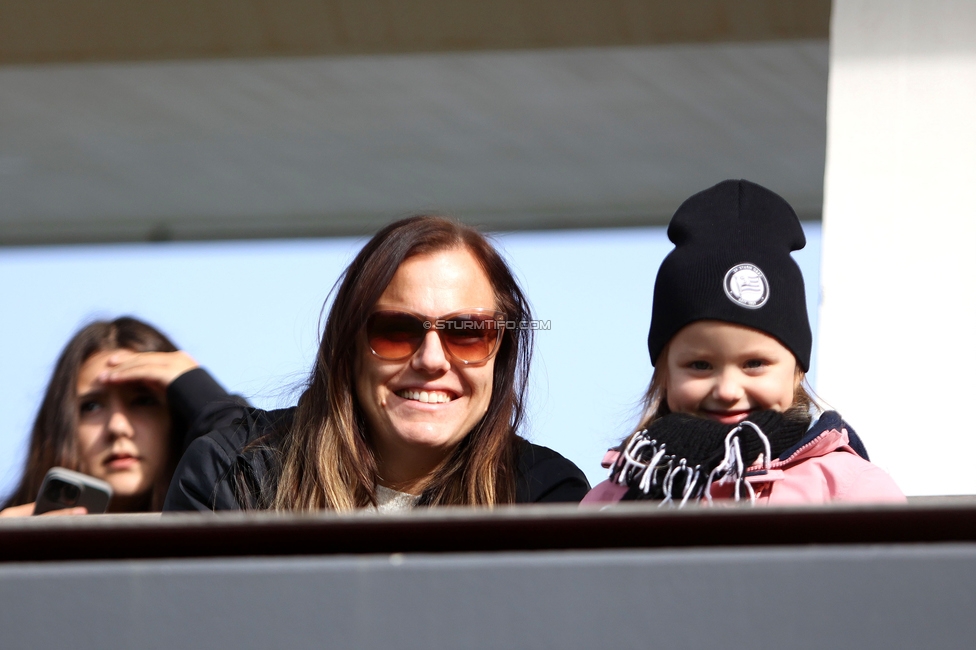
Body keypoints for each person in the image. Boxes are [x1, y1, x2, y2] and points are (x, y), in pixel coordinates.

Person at [165, 215, 589, 512]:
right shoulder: (231, 477)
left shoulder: (547, 495)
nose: (431, 359)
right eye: (396, 330)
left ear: (501, 351)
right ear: (347, 347)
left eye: (467, 332)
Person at [583, 180, 904, 506]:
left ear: (797, 370)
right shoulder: (613, 499)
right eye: (700, 365)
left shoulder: (849, 491)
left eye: (754, 364)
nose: (727, 390)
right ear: (664, 372)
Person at [0, 317, 241, 516]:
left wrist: (200, 390)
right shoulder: (9, 531)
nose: (117, 427)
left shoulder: (224, 522)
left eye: (143, 401)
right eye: (91, 406)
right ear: (60, 426)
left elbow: (266, 480)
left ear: (177, 419)